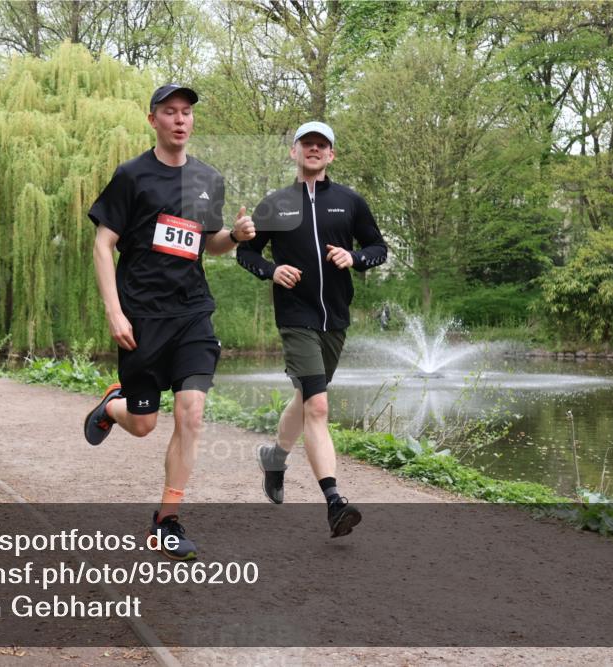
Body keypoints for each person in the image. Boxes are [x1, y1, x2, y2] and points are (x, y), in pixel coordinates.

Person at [84, 83, 256, 561]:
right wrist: (114, 311)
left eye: (186, 113)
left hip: (192, 312)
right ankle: (112, 407)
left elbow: (208, 244)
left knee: (192, 413)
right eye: (170, 112)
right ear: (153, 119)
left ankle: (166, 520)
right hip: (141, 315)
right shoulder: (132, 176)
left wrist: (236, 237)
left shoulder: (208, 179)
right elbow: (103, 245)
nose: (180, 120)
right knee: (142, 425)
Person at [236, 121, 387, 537]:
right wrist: (271, 269)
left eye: (322, 145)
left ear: (331, 155)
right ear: (295, 152)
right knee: (318, 407)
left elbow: (379, 248)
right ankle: (335, 501)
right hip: (295, 317)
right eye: (308, 144)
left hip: (336, 318)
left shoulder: (350, 202)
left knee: (306, 398)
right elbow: (245, 253)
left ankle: (274, 457)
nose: (314, 150)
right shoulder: (276, 204)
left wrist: (355, 259)